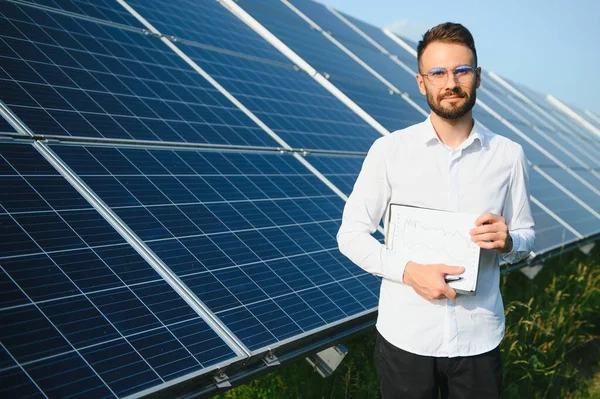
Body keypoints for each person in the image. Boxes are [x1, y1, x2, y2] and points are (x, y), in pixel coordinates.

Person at [337, 22, 535, 399]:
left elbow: (527, 235)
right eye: (438, 72)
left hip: (479, 338)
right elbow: (351, 234)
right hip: (406, 338)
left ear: (477, 77)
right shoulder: (390, 151)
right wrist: (408, 272)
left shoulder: (508, 155)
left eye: (461, 70)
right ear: (421, 81)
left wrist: (508, 242)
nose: (451, 83)